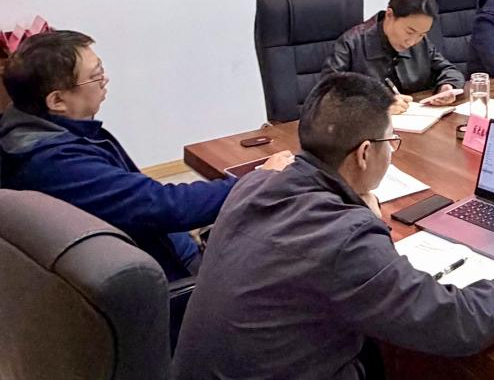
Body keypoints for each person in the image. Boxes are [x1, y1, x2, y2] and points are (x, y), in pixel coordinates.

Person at [173, 72, 494, 380]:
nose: (391, 151)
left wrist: (359, 212)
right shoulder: (345, 240)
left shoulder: (256, 184)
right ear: (364, 153)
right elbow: (458, 322)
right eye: (390, 142)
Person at [0, 31, 292, 281]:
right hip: (171, 272)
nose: (105, 81)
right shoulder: (56, 163)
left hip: (160, 243)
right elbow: (166, 206)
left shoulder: (32, 130)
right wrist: (259, 179)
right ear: (57, 100)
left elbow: (142, 199)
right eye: (95, 76)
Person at [323, 0, 464, 109]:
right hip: (368, 127)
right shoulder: (351, 44)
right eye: (409, 32)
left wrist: (447, 86)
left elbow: (449, 70)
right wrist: (378, 105)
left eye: (421, 34)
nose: (412, 41)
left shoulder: (422, 43)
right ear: (390, 15)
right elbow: (327, 96)